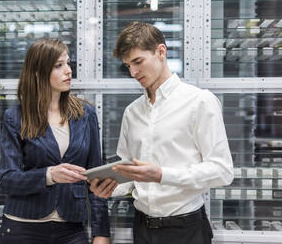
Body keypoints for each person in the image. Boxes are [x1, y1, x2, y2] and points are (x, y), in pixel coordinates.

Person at [89, 21, 234, 244]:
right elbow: (130, 174)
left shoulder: (199, 102)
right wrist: (111, 188)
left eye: (138, 62)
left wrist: (161, 175)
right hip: (142, 228)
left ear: (161, 52)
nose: (133, 72)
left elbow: (222, 171)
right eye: (128, 65)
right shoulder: (132, 112)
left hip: (187, 230)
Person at [0, 39, 110, 244]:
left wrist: (101, 234)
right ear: (38, 72)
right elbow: (7, 180)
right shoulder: (16, 117)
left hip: (71, 228)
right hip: (22, 226)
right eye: (59, 65)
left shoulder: (86, 115)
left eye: (68, 63)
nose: (68, 71)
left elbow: (96, 177)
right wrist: (50, 175)